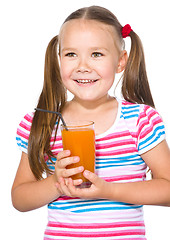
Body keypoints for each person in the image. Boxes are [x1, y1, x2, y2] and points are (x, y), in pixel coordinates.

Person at [12, 5, 170, 239]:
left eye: (96, 54)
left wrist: (109, 190)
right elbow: (19, 198)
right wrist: (56, 182)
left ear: (120, 61)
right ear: (59, 60)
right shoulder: (44, 123)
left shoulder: (139, 121)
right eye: (71, 54)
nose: (82, 66)